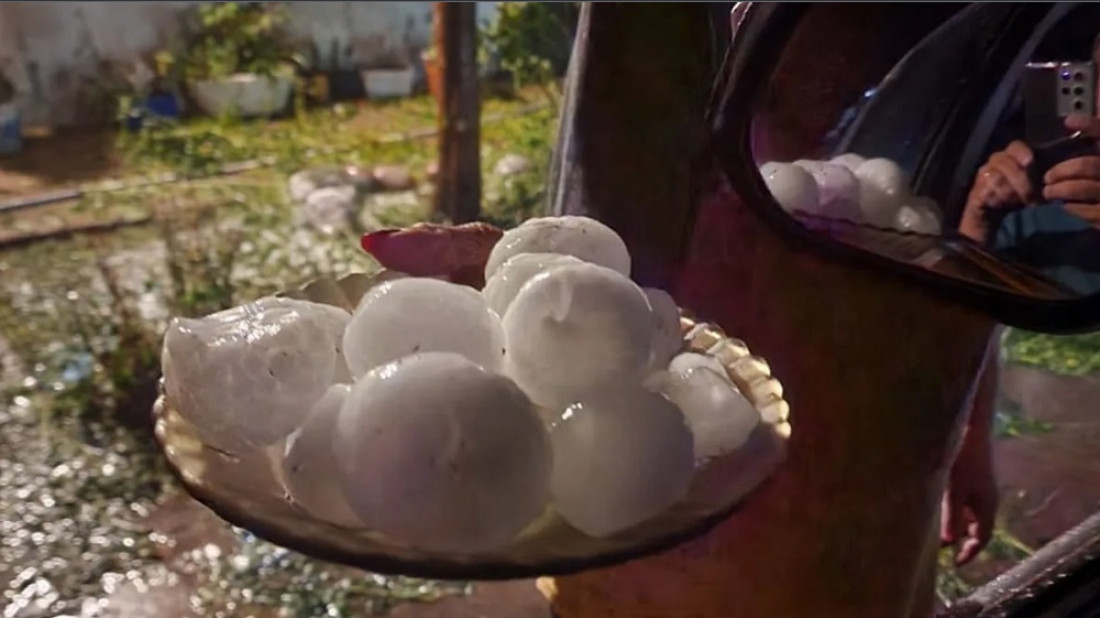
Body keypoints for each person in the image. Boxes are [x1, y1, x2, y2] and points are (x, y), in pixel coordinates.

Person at [366, 4, 1000, 617]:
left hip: (876, 505)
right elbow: (598, 220)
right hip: (640, 524)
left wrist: (972, 434)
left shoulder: (977, 44)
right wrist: (522, 278)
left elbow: (978, 251)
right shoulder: (654, 31)